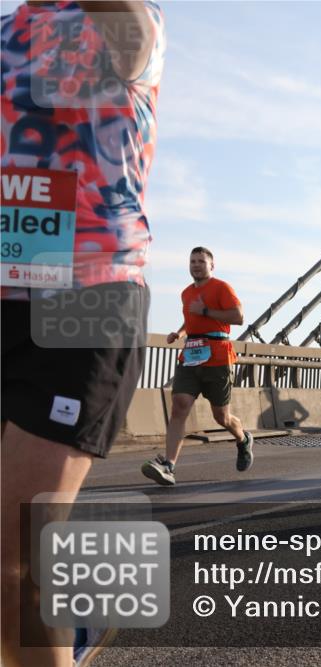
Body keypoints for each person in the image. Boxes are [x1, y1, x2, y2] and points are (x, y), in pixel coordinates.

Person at [1, 3, 165, 665]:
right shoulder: (8, 29)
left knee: (9, 556)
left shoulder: (126, 20)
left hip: (86, 297)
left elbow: (129, 40)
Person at [141, 248, 252, 486]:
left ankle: (243, 440)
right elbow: (191, 320)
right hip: (191, 355)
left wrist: (205, 310)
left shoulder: (221, 287)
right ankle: (169, 465)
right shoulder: (186, 293)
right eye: (192, 261)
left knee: (221, 417)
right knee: (179, 406)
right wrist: (179, 332)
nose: (196, 265)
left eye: (202, 261)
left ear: (212, 265)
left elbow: (238, 316)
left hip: (218, 357)